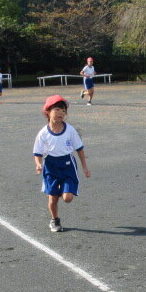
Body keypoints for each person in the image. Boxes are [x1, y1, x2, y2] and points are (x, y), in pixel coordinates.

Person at [33, 95, 91, 232]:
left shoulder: (70, 130)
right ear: (48, 112)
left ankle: (61, 190)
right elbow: (37, 153)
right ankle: (55, 220)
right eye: (57, 109)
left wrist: (85, 168)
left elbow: (80, 149)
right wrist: (38, 164)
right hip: (51, 166)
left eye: (64, 111)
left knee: (67, 198)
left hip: (67, 165)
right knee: (53, 199)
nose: (61, 113)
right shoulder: (43, 133)